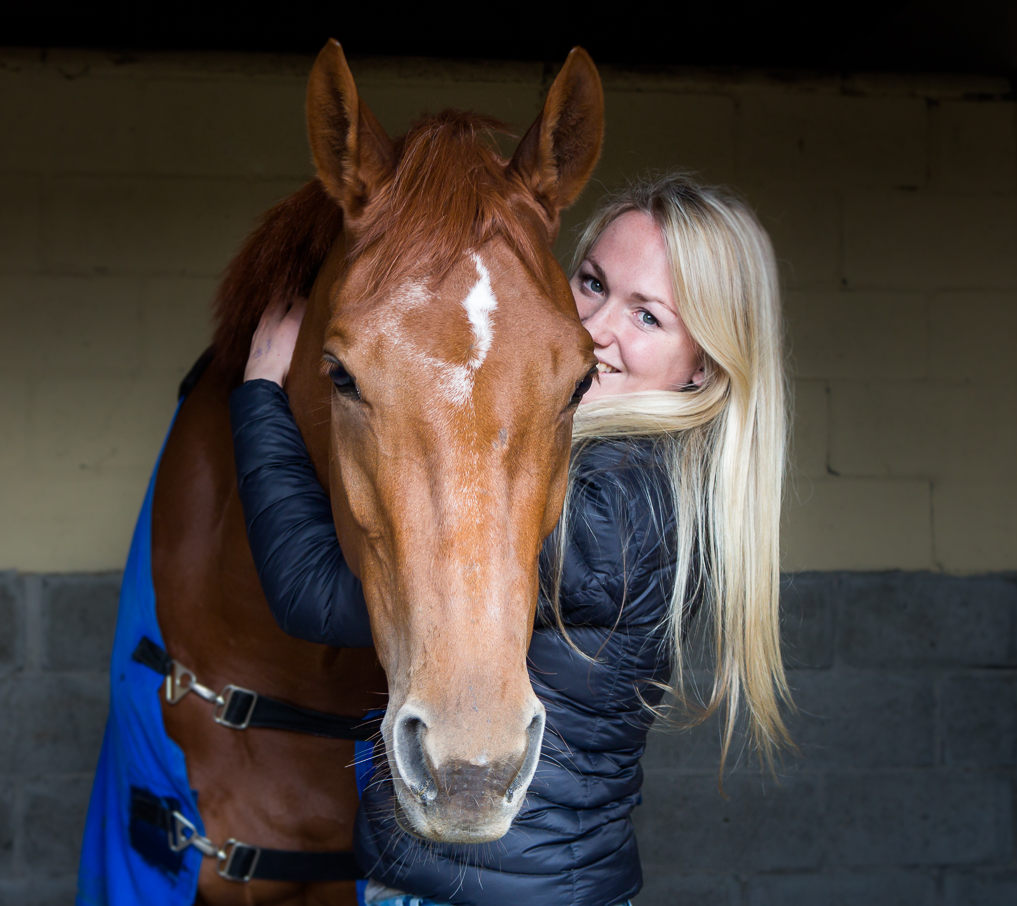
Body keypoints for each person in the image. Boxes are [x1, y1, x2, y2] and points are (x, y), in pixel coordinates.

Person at [228, 172, 792, 906]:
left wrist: (261, 397)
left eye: (648, 317)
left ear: (705, 366)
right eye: (591, 283)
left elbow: (315, 595)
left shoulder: (619, 509)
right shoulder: (615, 477)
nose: (597, 329)